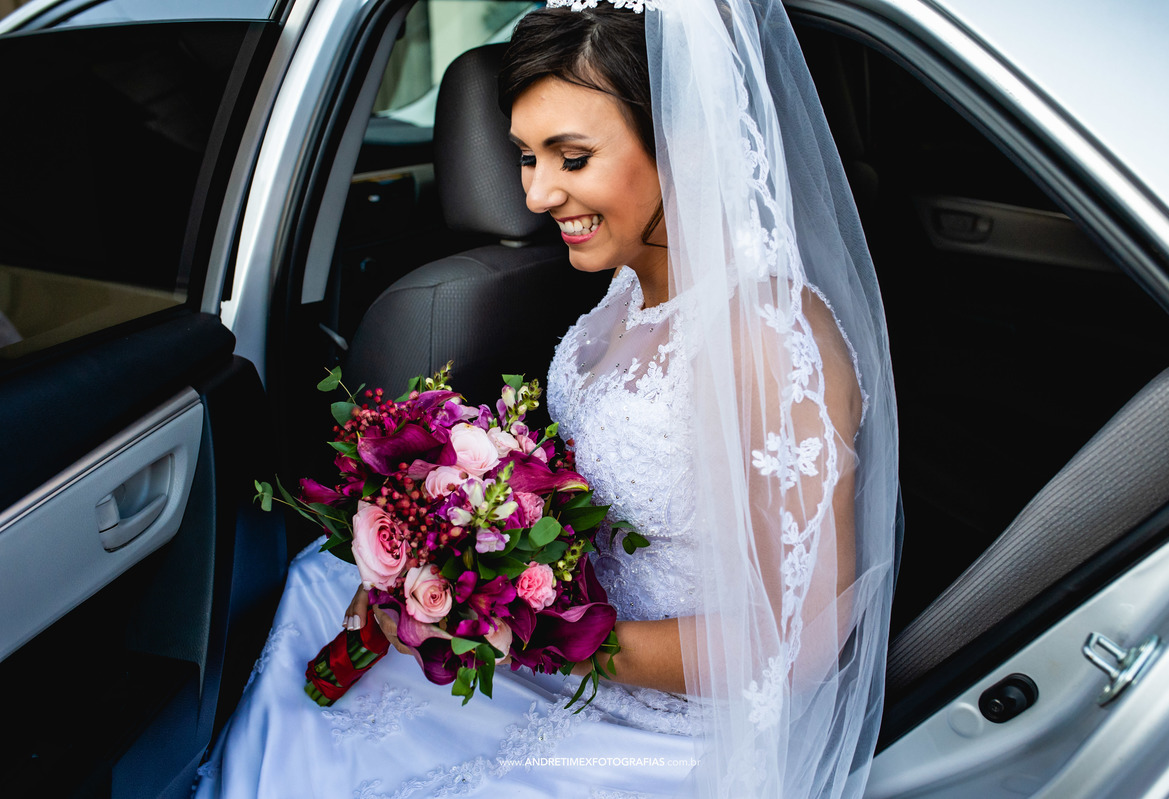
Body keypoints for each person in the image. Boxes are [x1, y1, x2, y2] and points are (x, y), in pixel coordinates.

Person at [194, 1, 898, 797]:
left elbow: (797, 641)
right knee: (317, 614)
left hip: (673, 723)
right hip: (574, 661)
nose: (535, 194)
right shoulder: (630, 288)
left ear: (683, 143)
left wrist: (533, 636)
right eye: (527, 157)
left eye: (571, 156)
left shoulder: (769, 339)